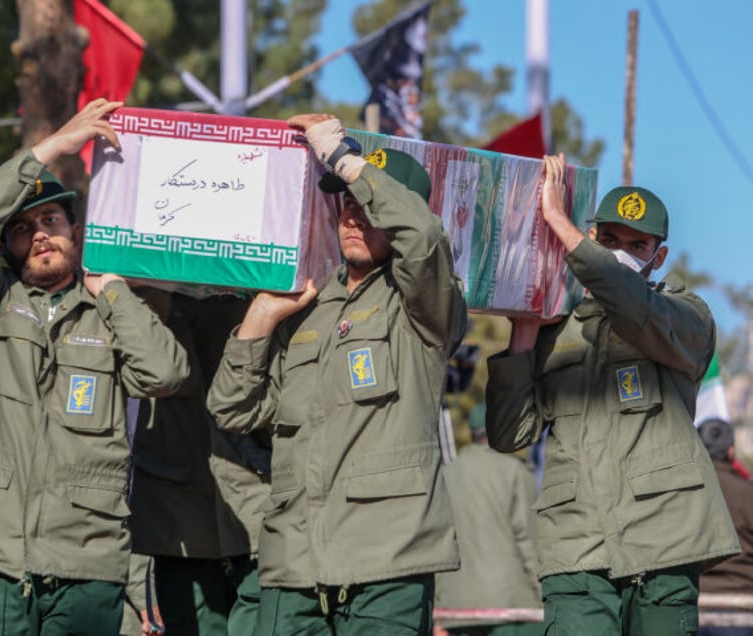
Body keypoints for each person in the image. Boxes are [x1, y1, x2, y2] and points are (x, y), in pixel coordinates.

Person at [0, 99, 190, 635]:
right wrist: (56, 144)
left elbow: (165, 373)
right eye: (23, 228)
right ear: (10, 247)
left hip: (88, 561)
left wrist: (112, 289)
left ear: (76, 230)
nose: (40, 233)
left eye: (51, 220)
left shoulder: (111, 312)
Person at [207, 112, 468, 635]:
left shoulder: (425, 308)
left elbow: (423, 235)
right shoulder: (305, 308)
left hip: (387, 560)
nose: (352, 216)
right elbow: (234, 409)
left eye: (366, 206)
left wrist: (342, 157)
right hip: (293, 559)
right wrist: (259, 319)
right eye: (345, 205)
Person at [485, 155, 740, 635]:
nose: (620, 252)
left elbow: (633, 303)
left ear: (658, 257)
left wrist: (559, 223)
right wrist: (522, 334)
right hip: (576, 541)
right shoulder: (556, 326)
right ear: (595, 234)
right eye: (610, 239)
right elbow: (509, 434)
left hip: (666, 538)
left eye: (636, 244)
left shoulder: (685, 315)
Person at [129, 288, 270, 636]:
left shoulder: (268, 301)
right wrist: (136, 576)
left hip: (259, 519)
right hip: (175, 529)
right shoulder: (138, 300)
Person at [435, 403, 542, 636]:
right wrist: (541, 590)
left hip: (457, 607)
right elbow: (529, 540)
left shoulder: (445, 475)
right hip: (510, 604)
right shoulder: (514, 471)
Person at [697, 418, 753, 636]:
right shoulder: (747, 493)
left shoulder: (683, 497)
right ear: (731, 451)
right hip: (743, 606)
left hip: (694, 602)